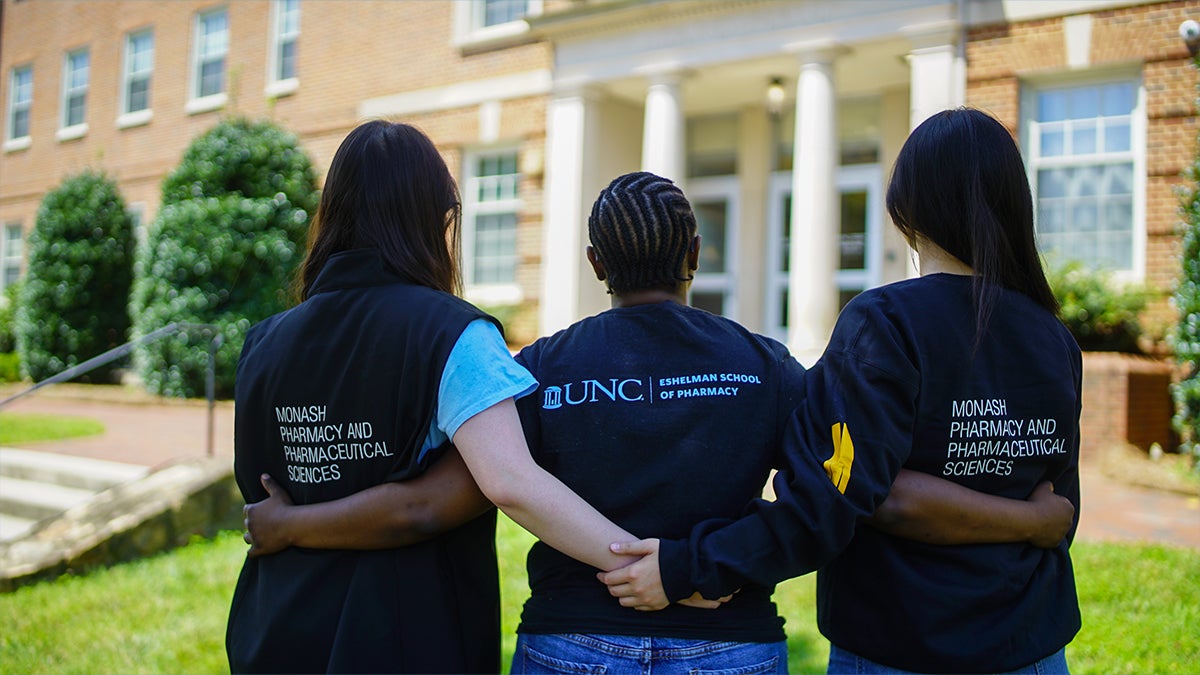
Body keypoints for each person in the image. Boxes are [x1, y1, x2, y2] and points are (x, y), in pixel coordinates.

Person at [243, 169, 1074, 673]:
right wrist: (695, 566)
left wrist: (298, 518)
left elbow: (476, 486)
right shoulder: (768, 365)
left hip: (571, 639)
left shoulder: (535, 370)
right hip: (732, 641)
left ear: (596, 264)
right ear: (696, 257)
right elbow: (829, 487)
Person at [601, 108, 1082, 674]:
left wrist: (689, 567)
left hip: (902, 643)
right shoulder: (1056, 337)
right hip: (1034, 647)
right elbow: (1056, 510)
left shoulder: (886, 321)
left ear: (906, 207)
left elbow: (847, 494)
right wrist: (1031, 521)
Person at [225, 120, 641, 674]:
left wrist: (293, 524)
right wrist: (647, 565)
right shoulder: (454, 333)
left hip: (274, 627)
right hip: (401, 636)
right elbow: (507, 482)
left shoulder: (263, 342)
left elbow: (261, 488)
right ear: (436, 218)